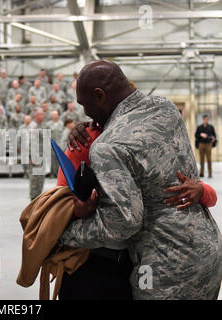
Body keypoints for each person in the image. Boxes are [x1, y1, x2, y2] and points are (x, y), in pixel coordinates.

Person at [60, 60, 221, 300]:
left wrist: (65, 233)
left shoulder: (108, 146)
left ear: (100, 95)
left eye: (85, 104)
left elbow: (123, 223)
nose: (85, 112)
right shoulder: (165, 107)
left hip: (163, 267)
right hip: (207, 250)